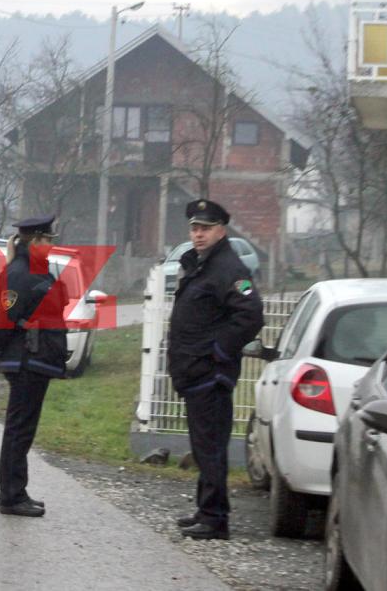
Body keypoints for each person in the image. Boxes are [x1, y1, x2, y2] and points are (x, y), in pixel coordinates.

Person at [167, 199, 264, 540]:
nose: (198, 234)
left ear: (221, 230)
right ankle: (205, 510)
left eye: (205, 228)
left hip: (210, 374)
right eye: (194, 228)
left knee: (210, 447)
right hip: (194, 373)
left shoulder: (229, 268)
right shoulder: (202, 265)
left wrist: (219, 350)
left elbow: (250, 315)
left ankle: (215, 519)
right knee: (203, 445)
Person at [0, 215, 69, 518]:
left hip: (37, 359)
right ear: (34, 241)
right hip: (25, 360)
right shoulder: (20, 273)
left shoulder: (32, 270)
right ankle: (10, 496)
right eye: (48, 239)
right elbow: (5, 318)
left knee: (23, 430)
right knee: (18, 431)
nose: (51, 244)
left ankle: (16, 492)